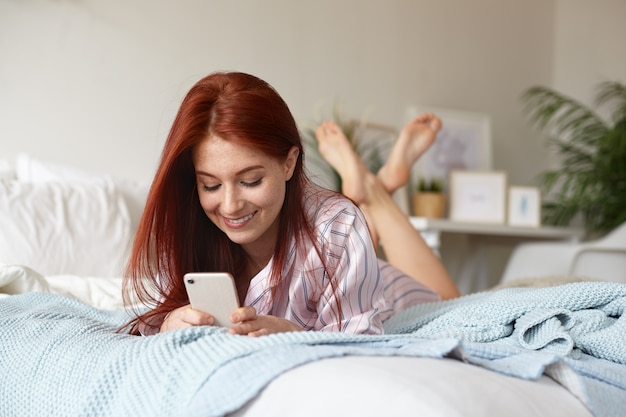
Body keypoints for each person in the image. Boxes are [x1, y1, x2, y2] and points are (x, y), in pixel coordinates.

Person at [122, 71, 457, 337]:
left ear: (289, 163)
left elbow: (360, 340)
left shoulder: (337, 227)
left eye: (250, 181)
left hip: (386, 291)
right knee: (351, 225)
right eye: (210, 184)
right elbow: (152, 314)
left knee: (447, 298)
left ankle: (378, 192)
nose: (229, 205)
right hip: (339, 258)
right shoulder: (189, 219)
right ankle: (374, 188)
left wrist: (295, 334)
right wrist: (168, 325)